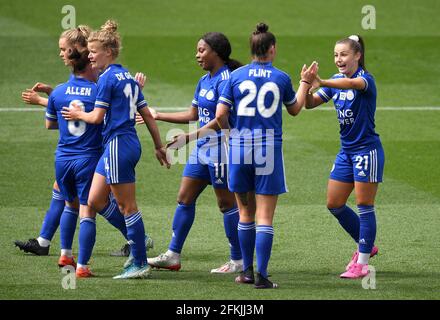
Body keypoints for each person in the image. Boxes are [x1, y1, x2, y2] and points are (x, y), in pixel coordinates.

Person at [16, 49, 153, 258]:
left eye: (63, 48)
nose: (61, 53)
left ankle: (129, 244)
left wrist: (50, 98)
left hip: (97, 151)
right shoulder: (97, 84)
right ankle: (49, 244)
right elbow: (80, 104)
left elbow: (81, 108)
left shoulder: (100, 84)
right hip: (93, 151)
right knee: (80, 196)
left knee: (94, 203)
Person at [62, 20, 170, 279]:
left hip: (118, 145)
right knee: (96, 199)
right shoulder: (128, 77)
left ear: (108, 52)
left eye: (93, 51)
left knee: (127, 206)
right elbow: (147, 115)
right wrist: (158, 146)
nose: (89, 55)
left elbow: (97, 118)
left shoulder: (107, 79)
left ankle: (140, 261)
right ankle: (139, 245)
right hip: (124, 144)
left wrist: (79, 113)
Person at [214, 23, 317, 288]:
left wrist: (229, 136)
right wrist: (305, 82)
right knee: (265, 217)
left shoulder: (235, 77)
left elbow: (220, 115)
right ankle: (262, 276)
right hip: (267, 150)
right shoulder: (280, 77)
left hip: (239, 149)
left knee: (245, 214)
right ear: (272, 49)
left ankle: (246, 272)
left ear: (251, 49)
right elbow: (294, 109)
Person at [145, 32, 243, 273]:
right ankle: (173, 255)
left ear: (217, 53)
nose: (197, 55)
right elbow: (193, 115)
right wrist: (159, 116)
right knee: (184, 198)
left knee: (226, 204)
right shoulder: (205, 80)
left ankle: (238, 259)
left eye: (202, 50)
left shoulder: (226, 80)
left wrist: (188, 137)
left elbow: (222, 121)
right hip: (202, 151)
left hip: (222, 150)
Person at [305, 35, 383, 279]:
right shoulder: (335, 81)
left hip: (366, 151)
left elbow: (352, 85)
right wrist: (307, 84)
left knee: (364, 206)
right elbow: (309, 104)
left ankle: (362, 263)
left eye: (344, 54)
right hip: (346, 152)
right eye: (336, 55)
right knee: (335, 203)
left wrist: (322, 80)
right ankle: (366, 246)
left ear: (357, 55)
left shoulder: (365, 80)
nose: (339, 59)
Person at [45, 25, 102, 277]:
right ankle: (82, 267)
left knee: (70, 205)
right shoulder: (99, 91)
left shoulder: (57, 92)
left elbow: (50, 124)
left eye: (62, 50)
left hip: (63, 158)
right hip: (87, 158)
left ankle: (65, 255)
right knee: (87, 210)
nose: (61, 54)